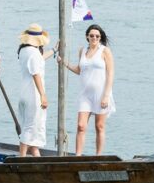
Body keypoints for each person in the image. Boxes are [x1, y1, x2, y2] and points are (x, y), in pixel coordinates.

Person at [59, 24, 116, 155]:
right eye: (92, 36)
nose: (94, 38)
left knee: (99, 126)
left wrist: (106, 95)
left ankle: (98, 155)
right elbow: (79, 70)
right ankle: (78, 156)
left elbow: (111, 73)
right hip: (85, 95)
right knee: (81, 126)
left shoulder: (105, 51)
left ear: (100, 37)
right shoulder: (82, 50)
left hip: (101, 94)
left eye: (97, 36)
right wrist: (65, 63)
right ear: (87, 37)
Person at [17, 23, 54, 157]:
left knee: (31, 124)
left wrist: (54, 51)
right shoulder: (33, 53)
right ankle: (22, 157)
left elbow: (39, 60)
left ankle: (35, 153)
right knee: (31, 126)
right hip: (33, 93)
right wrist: (43, 95)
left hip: (24, 92)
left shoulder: (23, 51)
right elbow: (36, 73)